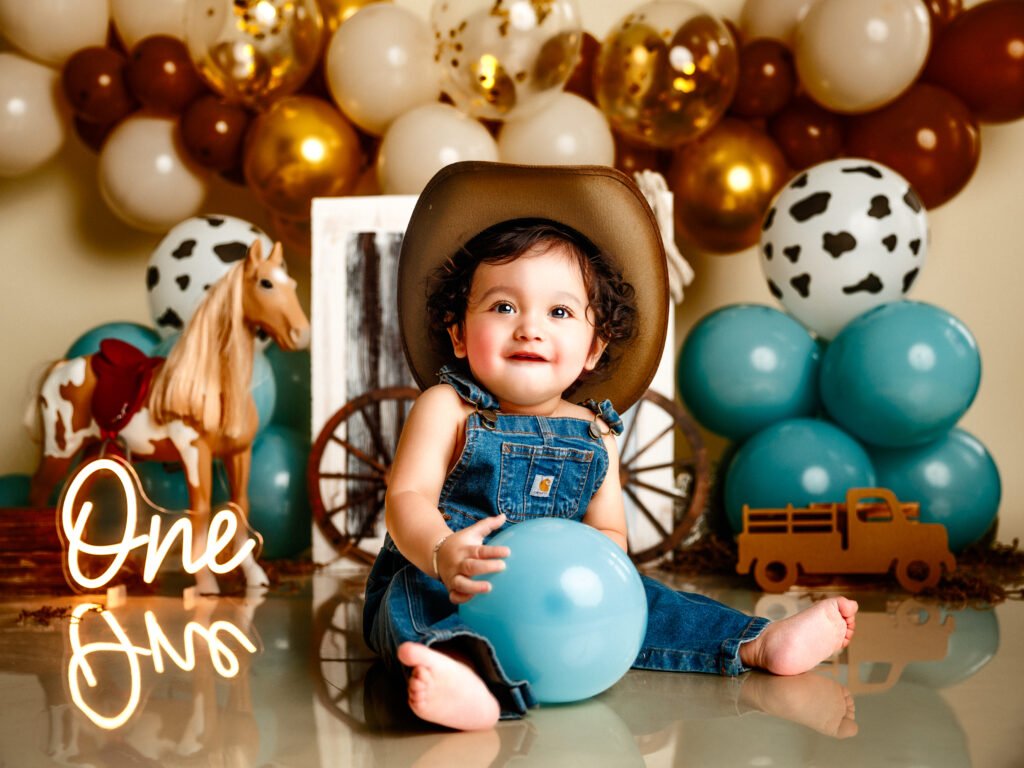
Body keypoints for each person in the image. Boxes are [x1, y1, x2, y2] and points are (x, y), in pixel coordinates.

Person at [363, 162, 858, 732]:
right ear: (457, 332)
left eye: (560, 312)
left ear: (593, 348)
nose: (529, 327)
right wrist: (441, 552)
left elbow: (610, 533)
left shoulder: (595, 430)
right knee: (414, 610)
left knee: (654, 600)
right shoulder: (447, 408)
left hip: (559, 596)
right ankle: (467, 680)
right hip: (449, 581)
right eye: (502, 307)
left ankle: (757, 642)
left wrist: (604, 586)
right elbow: (406, 499)